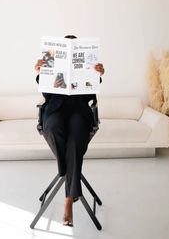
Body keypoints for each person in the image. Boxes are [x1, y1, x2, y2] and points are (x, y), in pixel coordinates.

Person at [34, 35, 105, 227]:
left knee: (74, 142)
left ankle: (68, 200)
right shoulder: (52, 61)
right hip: (55, 109)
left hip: (79, 111)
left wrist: (97, 75)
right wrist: (41, 72)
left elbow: (90, 93)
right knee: (52, 127)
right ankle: (70, 177)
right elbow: (47, 93)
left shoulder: (88, 66)